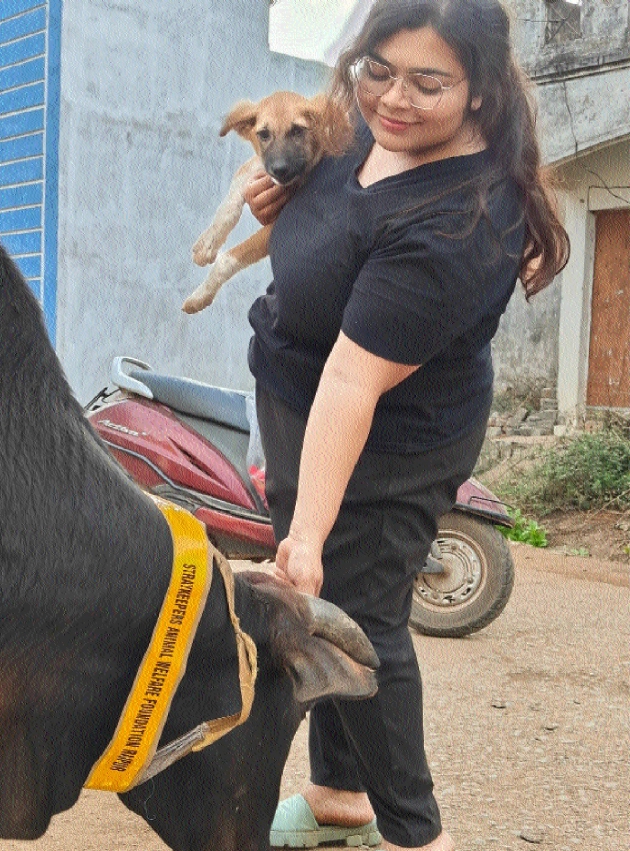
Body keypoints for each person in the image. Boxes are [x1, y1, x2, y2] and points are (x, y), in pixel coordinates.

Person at [242, 3, 568, 850]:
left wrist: (310, 529)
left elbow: (355, 376)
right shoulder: (352, 125)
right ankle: (338, 797)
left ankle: (418, 836)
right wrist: (273, 206)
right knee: (322, 605)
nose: (393, 98)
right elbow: (322, 203)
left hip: (388, 438)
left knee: (363, 617)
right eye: (377, 70)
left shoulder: (465, 221)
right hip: (297, 406)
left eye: (428, 83)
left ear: (483, 94)